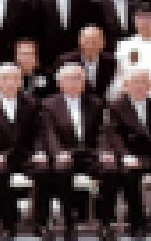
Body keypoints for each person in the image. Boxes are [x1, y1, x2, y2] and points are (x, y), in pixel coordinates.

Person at [100, 67, 151, 236]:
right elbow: (113, 134)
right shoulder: (116, 107)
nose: (139, 85)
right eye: (135, 82)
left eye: (143, 82)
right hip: (130, 154)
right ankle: (137, 222)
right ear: (126, 85)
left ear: (150, 85)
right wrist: (125, 155)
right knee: (129, 175)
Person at [0, 63, 45, 238]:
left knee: (44, 171)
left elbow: (39, 132)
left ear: (20, 81)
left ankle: (40, 222)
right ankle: (7, 224)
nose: (10, 82)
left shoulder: (32, 103)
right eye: (5, 78)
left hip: (25, 155)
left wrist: (39, 151)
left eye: (14, 78)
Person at [39, 63, 108, 239]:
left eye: (79, 78)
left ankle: (106, 222)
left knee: (111, 170)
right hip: (65, 153)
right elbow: (49, 133)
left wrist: (103, 152)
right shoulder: (48, 104)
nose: (75, 82)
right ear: (60, 82)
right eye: (70, 78)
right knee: (61, 171)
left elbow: (103, 132)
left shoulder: (96, 103)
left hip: (90, 154)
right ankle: (70, 223)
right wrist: (58, 153)